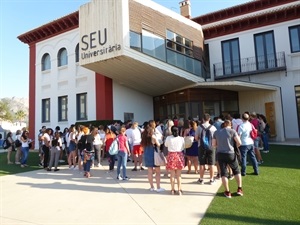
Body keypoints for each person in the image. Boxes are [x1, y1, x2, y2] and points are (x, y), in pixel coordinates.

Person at [212, 120, 243, 198]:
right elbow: (239, 142)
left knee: (223, 173)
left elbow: (213, 144)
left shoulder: (216, 132)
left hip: (220, 154)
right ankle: (239, 188)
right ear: (230, 125)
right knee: (236, 170)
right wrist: (234, 147)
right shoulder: (233, 131)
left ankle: (227, 191)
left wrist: (219, 146)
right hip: (231, 153)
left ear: (224, 124)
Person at [141, 124, 165, 193]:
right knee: (157, 172)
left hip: (147, 155)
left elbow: (142, 147)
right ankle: (158, 187)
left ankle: (151, 187)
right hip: (154, 155)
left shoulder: (144, 138)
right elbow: (158, 145)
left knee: (150, 172)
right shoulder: (153, 137)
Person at [195, 113, 217, 185]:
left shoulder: (199, 127)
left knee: (202, 163)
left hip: (201, 146)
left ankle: (201, 179)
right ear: (209, 119)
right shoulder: (213, 128)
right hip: (211, 147)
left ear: (202, 119)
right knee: (211, 164)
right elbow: (215, 138)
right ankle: (211, 179)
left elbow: (196, 138)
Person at [164, 126, 185, 195]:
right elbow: (183, 146)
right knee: (179, 175)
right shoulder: (181, 138)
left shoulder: (168, 138)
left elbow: (166, 145)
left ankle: (172, 189)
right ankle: (179, 189)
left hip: (171, 155)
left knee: (172, 175)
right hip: (179, 155)